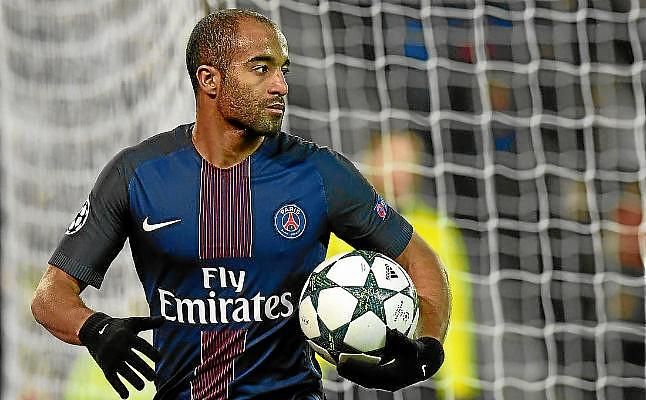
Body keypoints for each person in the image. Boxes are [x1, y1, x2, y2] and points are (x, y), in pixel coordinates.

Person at [30, 9, 450, 400]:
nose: (281, 85)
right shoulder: (137, 174)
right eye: (261, 68)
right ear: (209, 80)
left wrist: (427, 349)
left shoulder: (319, 173)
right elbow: (50, 295)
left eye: (283, 70)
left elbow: (420, 260)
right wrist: (94, 329)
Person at [325, 130, 478, 399]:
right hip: (341, 373)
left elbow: (455, 313)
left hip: (415, 375)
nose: (399, 170)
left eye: (407, 161)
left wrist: (458, 385)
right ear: (372, 158)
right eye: (391, 158)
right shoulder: (334, 225)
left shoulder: (437, 230)